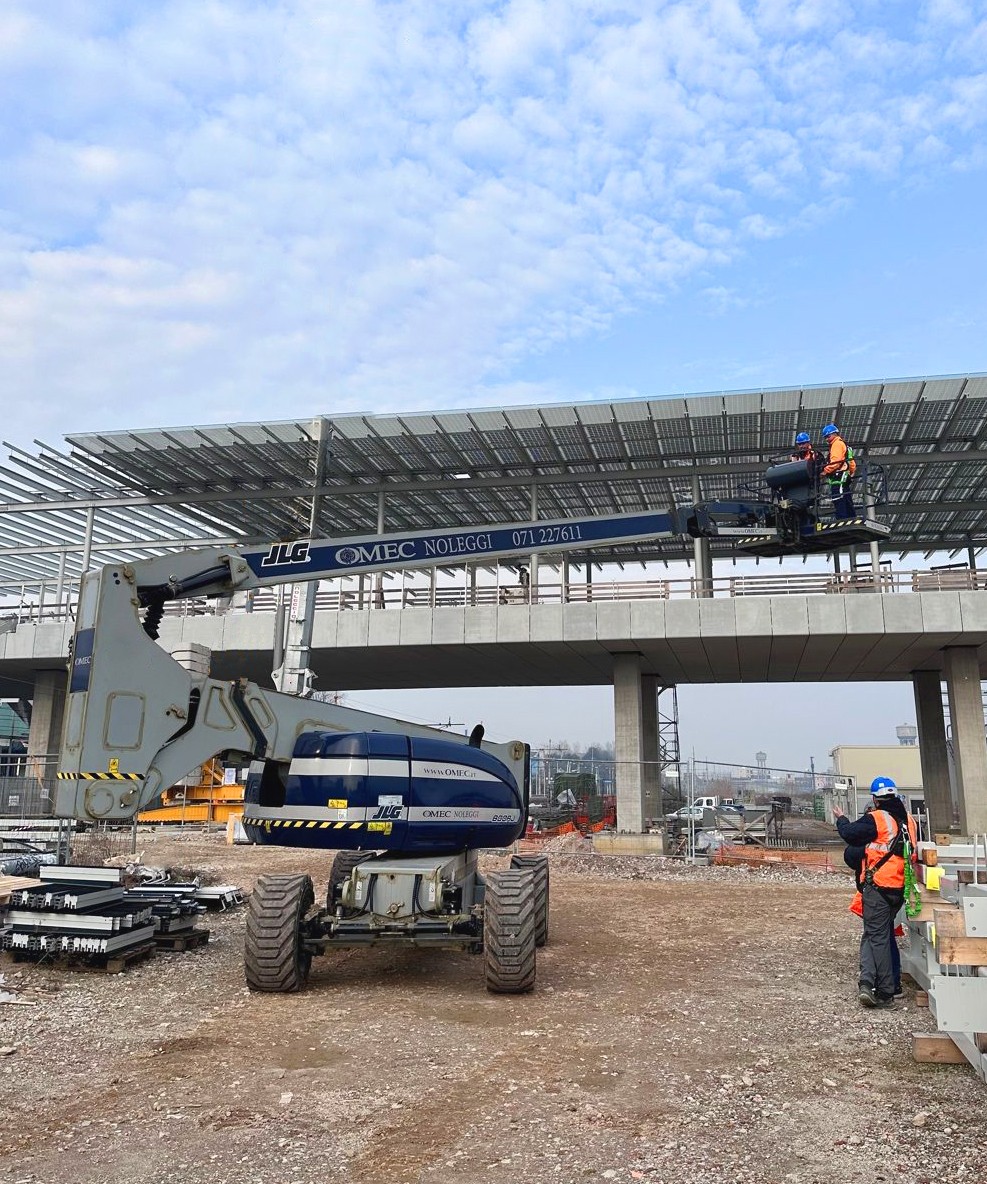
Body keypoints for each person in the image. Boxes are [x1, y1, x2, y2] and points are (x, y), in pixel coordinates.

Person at [833, 777, 917, 1008]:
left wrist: (841, 819)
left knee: (877, 938)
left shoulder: (878, 819)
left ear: (874, 799)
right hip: (899, 889)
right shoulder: (908, 821)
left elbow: (850, 835)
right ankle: (868, 982)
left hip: (878, 887)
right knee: (876, 934)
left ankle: (886, 992)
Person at [820, 424, 856, 519]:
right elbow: (852, 464)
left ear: (835, 434)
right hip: (844, 476)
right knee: (846, 498)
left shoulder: (836, 444)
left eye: (828, 436)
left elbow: (835, 462)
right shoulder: (844, 445)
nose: (827, 439)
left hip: (838, 476)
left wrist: (825, 471)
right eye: (825, 438)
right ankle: (851, 518)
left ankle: (842, 519)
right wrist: (850, 473)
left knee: (838, 498)